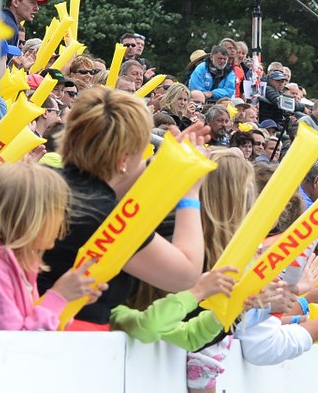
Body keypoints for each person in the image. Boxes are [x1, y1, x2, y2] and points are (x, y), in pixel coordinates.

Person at [37, 87, 209, 329]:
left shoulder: (39, 180)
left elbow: (109, 182)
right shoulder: (105, 216)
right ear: (123, 160)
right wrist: (189, 192)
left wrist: (164, 166)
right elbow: (186, 274)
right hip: (70, 343)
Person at [0, 164, 104, 330]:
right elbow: (14, 346)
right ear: (30, 219)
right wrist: (59, 296)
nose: (62, 222)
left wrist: (69, 300)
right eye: (59, 212)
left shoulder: (22, 268)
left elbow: (33, 324)